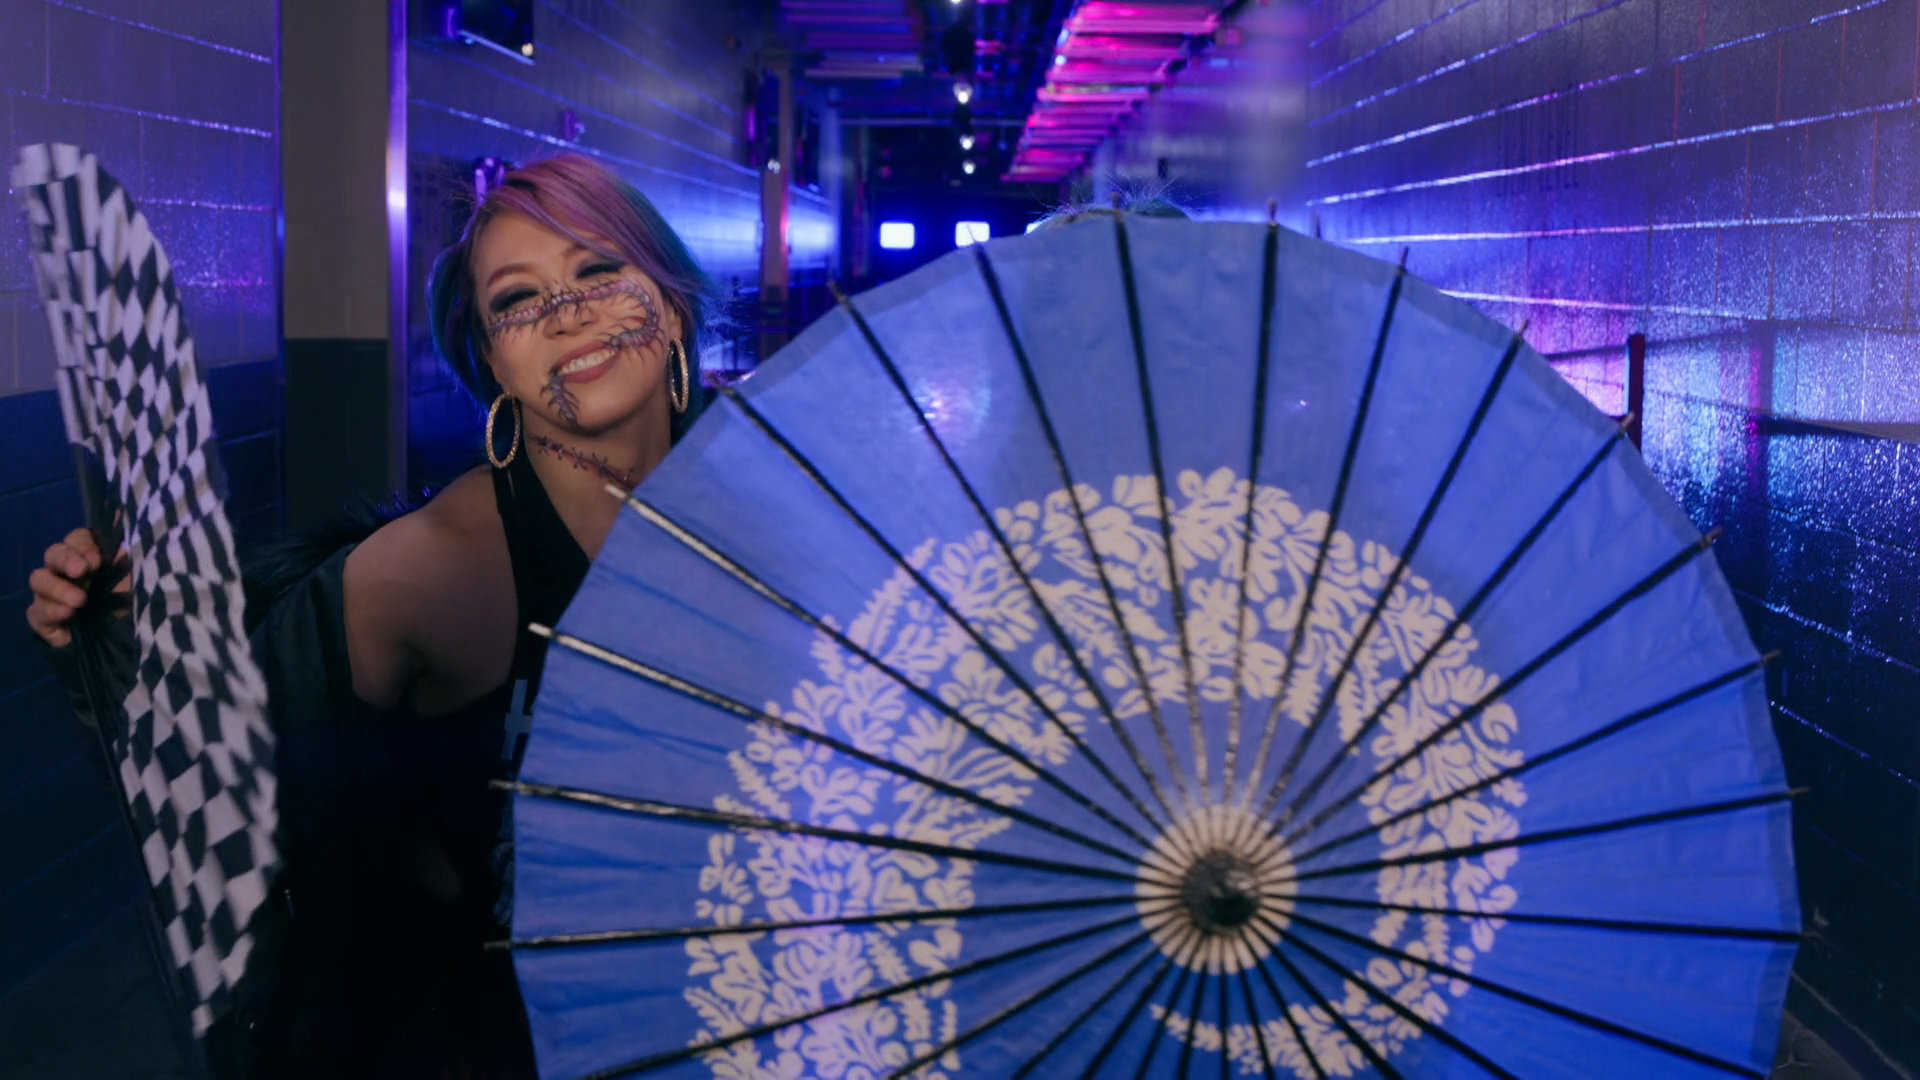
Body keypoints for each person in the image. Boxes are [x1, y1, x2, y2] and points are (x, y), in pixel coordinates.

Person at [24, 152, 720, 1078]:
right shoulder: (433, 568)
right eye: (518, 299)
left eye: (599, 269)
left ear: (671, 304)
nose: (567, 312)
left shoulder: (776, 508)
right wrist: (111, 631)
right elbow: (219, 772)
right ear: (491, 359)